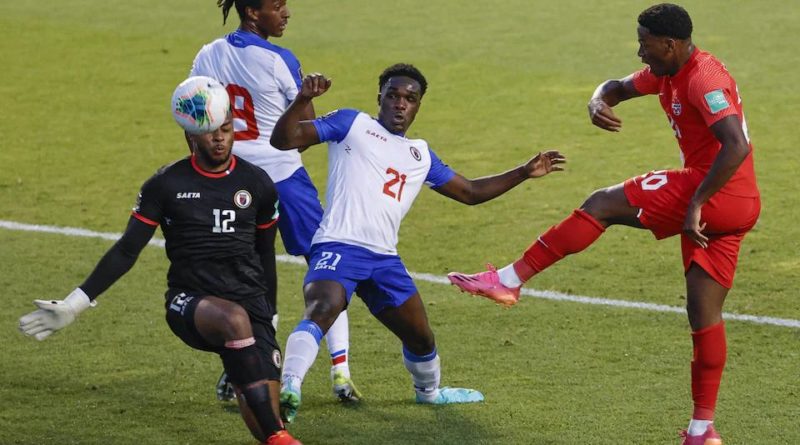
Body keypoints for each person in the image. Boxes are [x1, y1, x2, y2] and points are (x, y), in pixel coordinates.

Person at [448, 4, 759, 444]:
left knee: (601, 205)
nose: (639, 52)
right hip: (737, 203)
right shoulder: (669, 71)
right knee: (703, 313)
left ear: (669, 44)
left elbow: (736, 146)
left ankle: (507, 279)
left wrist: (697, 203)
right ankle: (702, 429)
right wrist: (597, 101)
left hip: (716, 193)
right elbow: (614, 87)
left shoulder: (704, 78)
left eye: (644, 43)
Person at [269, 63, 566, 423]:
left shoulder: (420, 155)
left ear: (419, 105)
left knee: (422, 338)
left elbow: (470, 192)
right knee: (322, 308)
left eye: (410, 98)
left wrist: (523, 172)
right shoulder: (352, 124)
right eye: (393, 95)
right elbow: (283, 140)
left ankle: (429, 394)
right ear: (379, 97)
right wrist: (302, 99)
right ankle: (290, 387)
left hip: (384, 260)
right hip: (338, 245)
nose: (400, 103)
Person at [18, 85, 302, 445]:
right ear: (190, 136)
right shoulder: (166, 185)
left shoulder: (257, 183)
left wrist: (271, 313)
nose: (219, 139)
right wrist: (75, 304)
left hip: (250, 303)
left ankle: (269, 426)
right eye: (210, 132)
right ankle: (279, 434)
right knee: (234, 322)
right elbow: (126, 250)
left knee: (261, 405)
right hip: (190, 302)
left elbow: (265, 253)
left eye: (226, 129)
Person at [189, 0, 360, 402]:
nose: (286, 13)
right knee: (326, 266)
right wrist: (305, 96)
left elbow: (196, 112)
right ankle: (341, 374)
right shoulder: (280, 58)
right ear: (252, 13)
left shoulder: (208, 54)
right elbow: (304, 129)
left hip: (233, 183)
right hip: (285, 179)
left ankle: (238, 373)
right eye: (278, 6)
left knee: (245, 278)